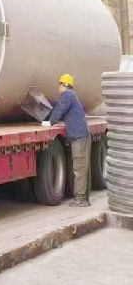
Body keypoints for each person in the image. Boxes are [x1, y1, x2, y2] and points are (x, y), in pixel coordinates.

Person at [42, 73, 91, 207]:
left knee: (79, 169)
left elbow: (60, 109)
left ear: (63, 85)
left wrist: (50, 122)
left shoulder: (67, 95)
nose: (58, 88)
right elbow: (59, 106)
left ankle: (80, 200)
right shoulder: (71, 96)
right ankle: (84, 198)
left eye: (59, 85)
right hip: (82, 137)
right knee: (83, 168)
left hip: (79, 138)